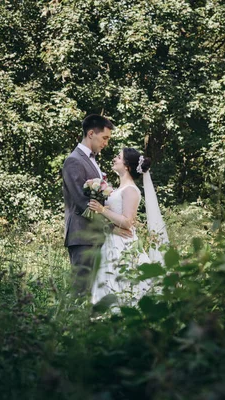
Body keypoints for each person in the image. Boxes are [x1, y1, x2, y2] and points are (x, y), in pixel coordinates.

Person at [87, 147, 169, 306]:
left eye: (118, 157)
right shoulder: (118, 190)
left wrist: (102, 209)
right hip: (112, 241)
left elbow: (127, 222)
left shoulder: (131, 190)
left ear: (126, 166)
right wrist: (109, 225)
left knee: (124, 285)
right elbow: (116, 220)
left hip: (123, 245)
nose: (114, 159)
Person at [62, 114, 118, 295]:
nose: (106, 143)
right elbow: (81, 200)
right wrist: (110, 218)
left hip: (95, 234)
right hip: (82, 235)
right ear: (91, 133)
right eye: (105, 138)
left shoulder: (91, 160)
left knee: (95, 291)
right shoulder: (74, 161)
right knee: (82, 290)